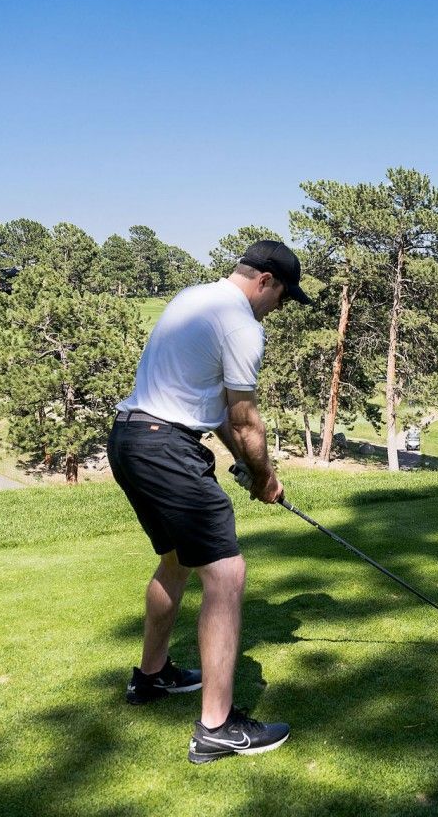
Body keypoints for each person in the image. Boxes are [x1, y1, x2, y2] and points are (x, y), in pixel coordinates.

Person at [108, 240, 313, 765]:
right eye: (284, 297)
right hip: (166, 447)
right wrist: (266, 477)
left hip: (132, 439)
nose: (280, 307)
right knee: (226, 573)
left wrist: (247, 467)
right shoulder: (243, 322)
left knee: (177, 561)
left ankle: (151, 678)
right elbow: (246, 419)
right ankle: (217, 728)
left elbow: (214, 409)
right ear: (265, 280)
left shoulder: (194, 298)